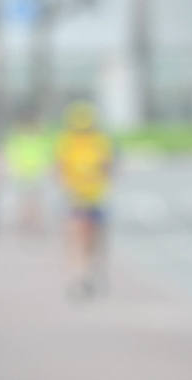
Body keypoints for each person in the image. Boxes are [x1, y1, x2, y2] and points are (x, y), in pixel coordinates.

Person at [55, 101, 115, 300]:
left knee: (94, 240)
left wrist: (98, 179)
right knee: (78, 238)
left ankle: (92, 271)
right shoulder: (67, 143)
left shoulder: (99, 142)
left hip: (96, 198)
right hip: (76, 199)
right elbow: (60, 169)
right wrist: (70, 187)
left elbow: (108, 167)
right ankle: (79, 277)